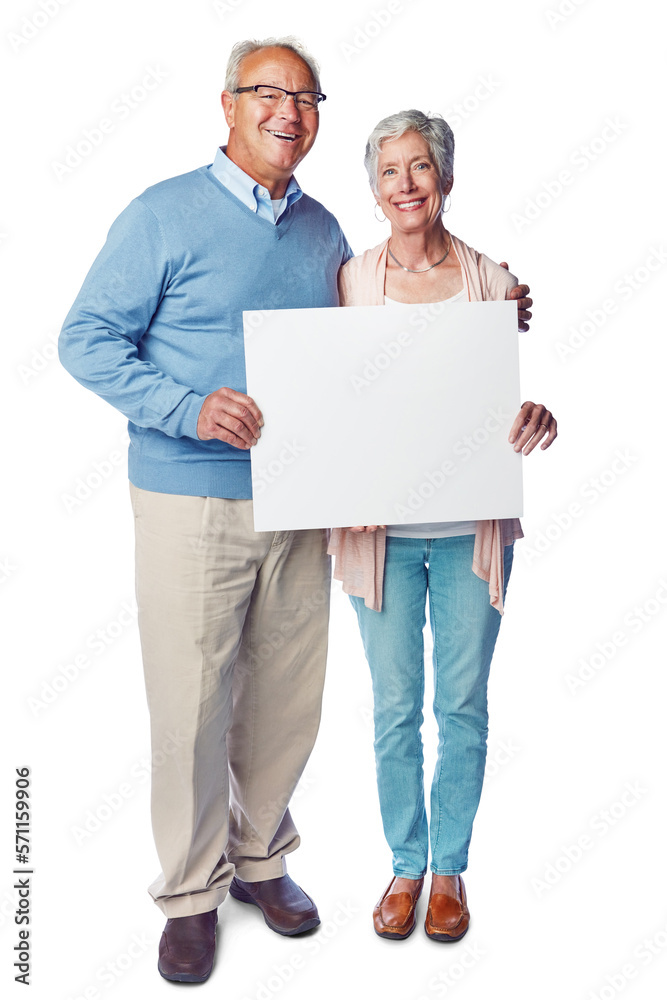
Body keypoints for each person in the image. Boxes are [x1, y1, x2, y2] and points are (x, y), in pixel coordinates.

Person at [58, 37, 353, 984]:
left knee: (285, 702)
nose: (289, 111)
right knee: (190, 708)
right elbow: (85, 339)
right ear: (225, 105)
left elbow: (372, 349)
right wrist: (188, 409)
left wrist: (475, 315)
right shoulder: (162, 214)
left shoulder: (323, 230)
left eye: (306, 96)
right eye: (269, 93)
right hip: (191, 500)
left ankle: (259, 859)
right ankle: (189, 892)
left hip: (303, 503)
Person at [328, 110, 557, 944]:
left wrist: (536, 416)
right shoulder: (348, 280)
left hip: (470, 530)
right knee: (394, 705)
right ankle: (404, 864)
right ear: (374, 189)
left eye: (419, 167)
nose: (405, 184)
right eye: (388, 171)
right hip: (378, 534)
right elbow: (327, 396)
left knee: (459, 704)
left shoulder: (491, 280)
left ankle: (450, 867)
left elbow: (507, 399)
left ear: (445, 178)